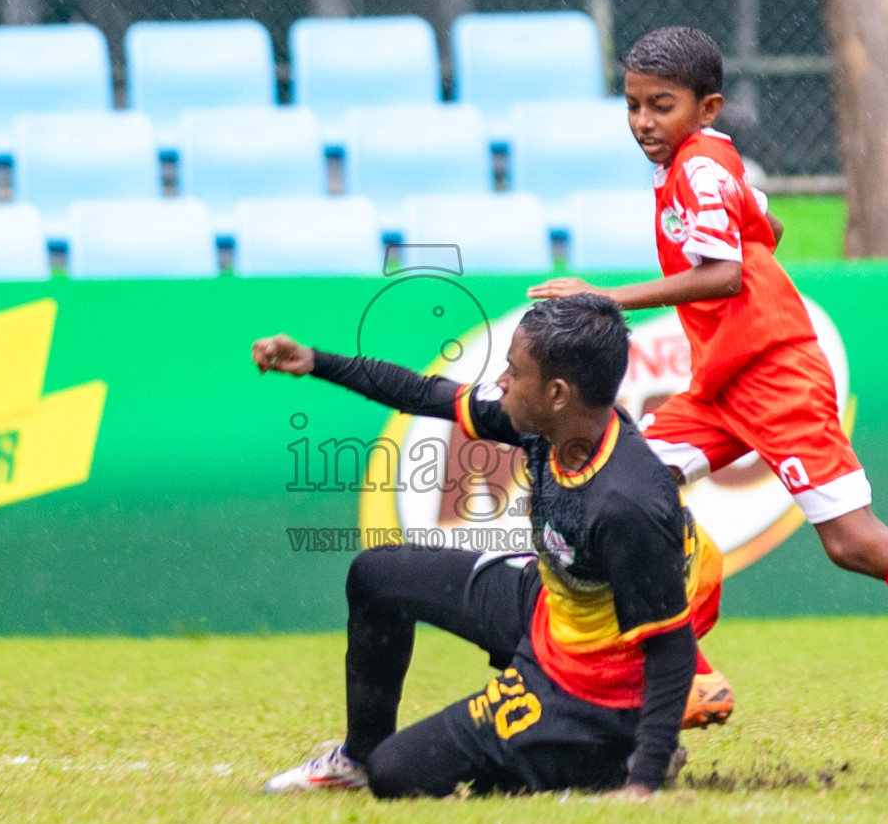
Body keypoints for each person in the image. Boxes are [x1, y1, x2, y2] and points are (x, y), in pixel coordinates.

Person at [529, 26, 888, 757]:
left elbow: (724, 273)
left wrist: (601, 298)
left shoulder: (698, 169)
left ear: (707, 107)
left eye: (659, 106)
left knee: (853, 543)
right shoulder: (708, 163)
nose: (641, 122)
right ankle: (690, 674)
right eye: (632, 105)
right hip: (722, 380)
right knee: (627, 489)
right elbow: (769, 223)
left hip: (773, 374)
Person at [251, 295, 724, 798]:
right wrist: (317, 362)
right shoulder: (555, 427)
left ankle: (608, 758)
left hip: (591, 688)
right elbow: (425, 393)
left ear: (558, 392)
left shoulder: (624, 502)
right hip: (551, 612)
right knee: (376, 575)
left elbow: (671, 646)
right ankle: (357, 758)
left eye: (513, 372)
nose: (501, 382)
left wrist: (643, 783)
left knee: (399, 775)